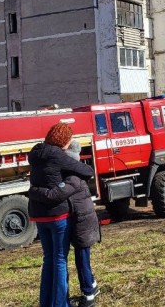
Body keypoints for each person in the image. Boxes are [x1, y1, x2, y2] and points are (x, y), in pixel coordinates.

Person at [28, 123, 94, 307]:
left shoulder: (35, 153)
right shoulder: (58, 154)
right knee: (59, 260)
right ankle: (60, 304)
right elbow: (86, 171)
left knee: (48, 259)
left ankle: (46, 302)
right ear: (64, 141)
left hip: (38, 214)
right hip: (57, 215)